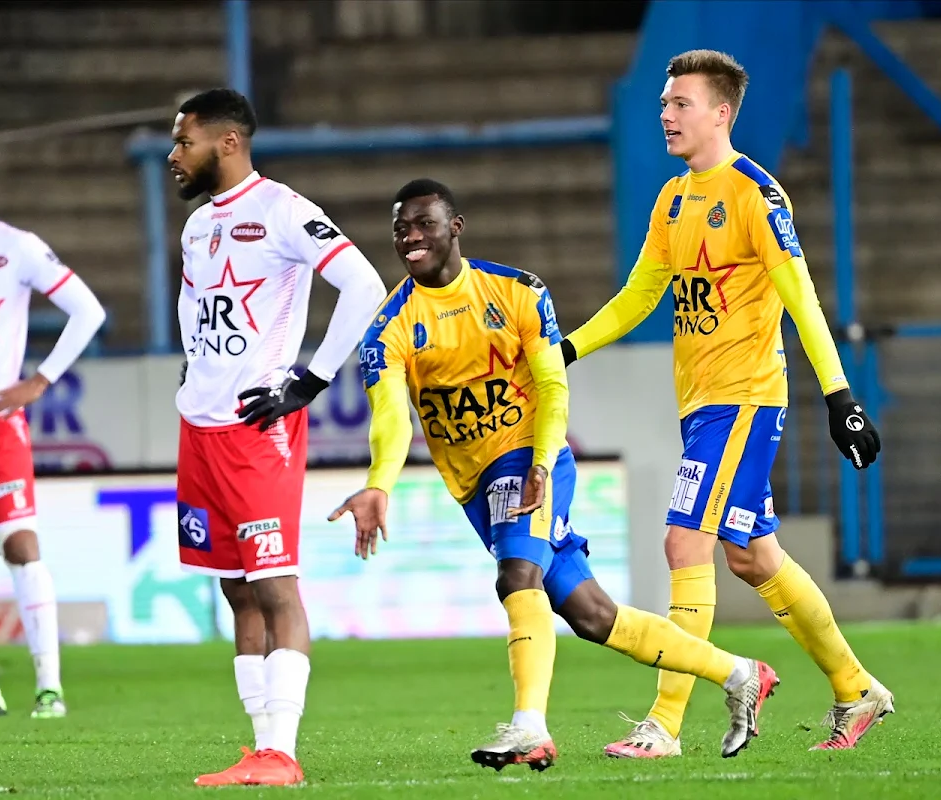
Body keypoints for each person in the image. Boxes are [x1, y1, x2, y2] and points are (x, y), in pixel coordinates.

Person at [330, 178, 779, 772]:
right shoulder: (388, 328)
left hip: (530, 458)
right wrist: (380, 481)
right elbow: (390, 419)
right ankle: (741, 673)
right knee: (593, 616)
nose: (411, 236)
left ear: (455, 227)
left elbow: (551, 385)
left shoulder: (517, 292)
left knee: (517, 576)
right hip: (473, 484)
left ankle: (529, 730)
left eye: (424, 223)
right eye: (400, 227)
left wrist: (542, 460)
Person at [558, 50, 893, 755]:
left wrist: (841, 398)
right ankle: (855, 686)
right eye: (662, 103)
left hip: (744, 399)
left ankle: (667, 725)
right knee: (754, 556)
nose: (665, 115)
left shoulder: (757, 195)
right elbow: (640, 295)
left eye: (680, 103)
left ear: (721, 112)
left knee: (685, 541)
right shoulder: (674, 197)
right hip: (703, 404)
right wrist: (567, 348)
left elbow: (800, 298)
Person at [168, 88, 387, 785]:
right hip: (197, 426)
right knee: (235, 590)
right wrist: (191, 365)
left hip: (255, 427)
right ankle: (259, 747)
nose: (174, 155)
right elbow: (191, 302)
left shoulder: (284, 210)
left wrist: (312, 379)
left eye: (185, 141)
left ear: (227, 143)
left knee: (275, 586)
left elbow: (365, 286)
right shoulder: (196, 228)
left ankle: (282, 753)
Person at [0, 199, 106, 719]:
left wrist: (40, 380)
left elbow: (89, 311)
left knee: (23, 548)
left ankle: (48, 689)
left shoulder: (16, 247)